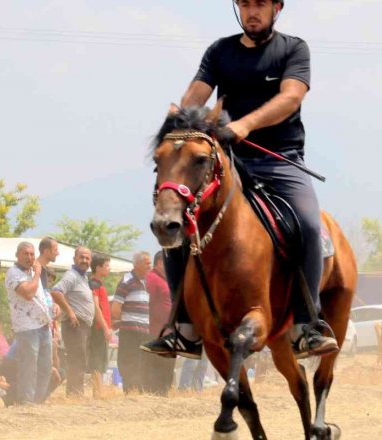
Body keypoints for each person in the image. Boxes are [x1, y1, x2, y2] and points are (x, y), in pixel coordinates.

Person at [142, 0, 338, 360]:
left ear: (276, 8)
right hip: (226, 161)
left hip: (281, 161)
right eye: (245, 3)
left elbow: (291, 97)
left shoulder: (293, 49)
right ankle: (182, 327)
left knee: (309, 225)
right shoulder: (220, 51)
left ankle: (306, 326)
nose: (252, 11)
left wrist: (245, 124)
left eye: (260, 4)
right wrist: (184, 120)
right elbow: (195, 95)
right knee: (179, 221)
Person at [4, 242, 52, 404]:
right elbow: (28, 293)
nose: (30, 258)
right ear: (17, 255)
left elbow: (40, 296)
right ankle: (26, 402)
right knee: (29, 367)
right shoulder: (14, 273)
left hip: (43, 325)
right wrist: (37, 274)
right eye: (26, 254)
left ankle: (38, 401)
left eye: (32, 254)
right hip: (27, 328)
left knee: (45, 367)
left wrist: (53, 308)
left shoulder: (32, 272)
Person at [51, 246, 101, 396]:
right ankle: (74, 394)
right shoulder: (72, 275)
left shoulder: (83, 277)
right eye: (81, 257)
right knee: (77, 360)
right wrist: (70, 312)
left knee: (80, 360)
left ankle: (76, 393)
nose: (84, 260)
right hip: (75, 325)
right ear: (74, 259)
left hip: (83, 326)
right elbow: (56, 291)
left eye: (87, 258)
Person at [112, 251, 151, 394]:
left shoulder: (147, 282)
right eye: (147, 263)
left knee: (143, 364)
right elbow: (115, 309)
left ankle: (140, 393)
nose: (150, 266)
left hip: (145, 331)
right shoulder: (126, 281)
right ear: (137, 264)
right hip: (130, 332)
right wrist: (130, 321)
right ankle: (130, 393)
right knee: (129, 363)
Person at [145, 251, 175, 395]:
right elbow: (146, 302)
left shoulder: (166, 279)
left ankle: (164, 392)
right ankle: (156, 392)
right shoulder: (152, 278)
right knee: (159, 363)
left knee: (168, 363)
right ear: (159, 263)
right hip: (157, 330)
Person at [88, 253, 113, 398]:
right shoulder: (93, 284)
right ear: (98, 268)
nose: (109, 269)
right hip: (97, 328)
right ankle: (97, 392)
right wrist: (104, 327)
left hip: (103, 328)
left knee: (102, 359)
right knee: (97, 360)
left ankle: (99, 390)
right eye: (107, 266)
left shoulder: (100, 284)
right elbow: (96, 307)